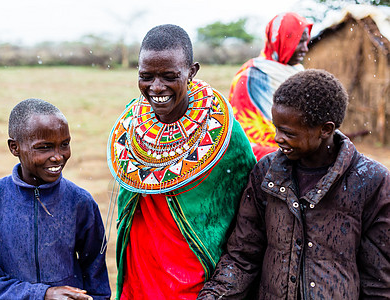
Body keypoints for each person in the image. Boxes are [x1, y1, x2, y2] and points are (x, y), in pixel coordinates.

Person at [197, 69, 390, 299]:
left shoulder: (371, 181)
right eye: (276, 127)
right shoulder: (266, 174)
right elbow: (243, 256)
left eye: (288, 132)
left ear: (325, 129)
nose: (277, 138)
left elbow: (379, 279)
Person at [107, 24, 256, 299]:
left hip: (198, 280)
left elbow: (248, 215)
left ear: (192, 71)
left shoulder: (224, 133)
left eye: (169, 76)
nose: (156, 87)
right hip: (140, 273)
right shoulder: (132, 125)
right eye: (146, 76)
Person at [0, 98, 111, 300]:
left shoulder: (80, 202)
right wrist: (41, 294)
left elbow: (96, 275)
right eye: (44, 147)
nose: (58, 156)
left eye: (64, 144)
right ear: (14, 148)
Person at [229, 12, 312, 161]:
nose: (305, 49)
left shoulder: (299, 72)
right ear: (282, 41)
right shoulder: (250, 77)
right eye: (300, 41)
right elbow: (243, 134)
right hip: (260, 158)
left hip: (296, 152)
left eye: (306, 42)